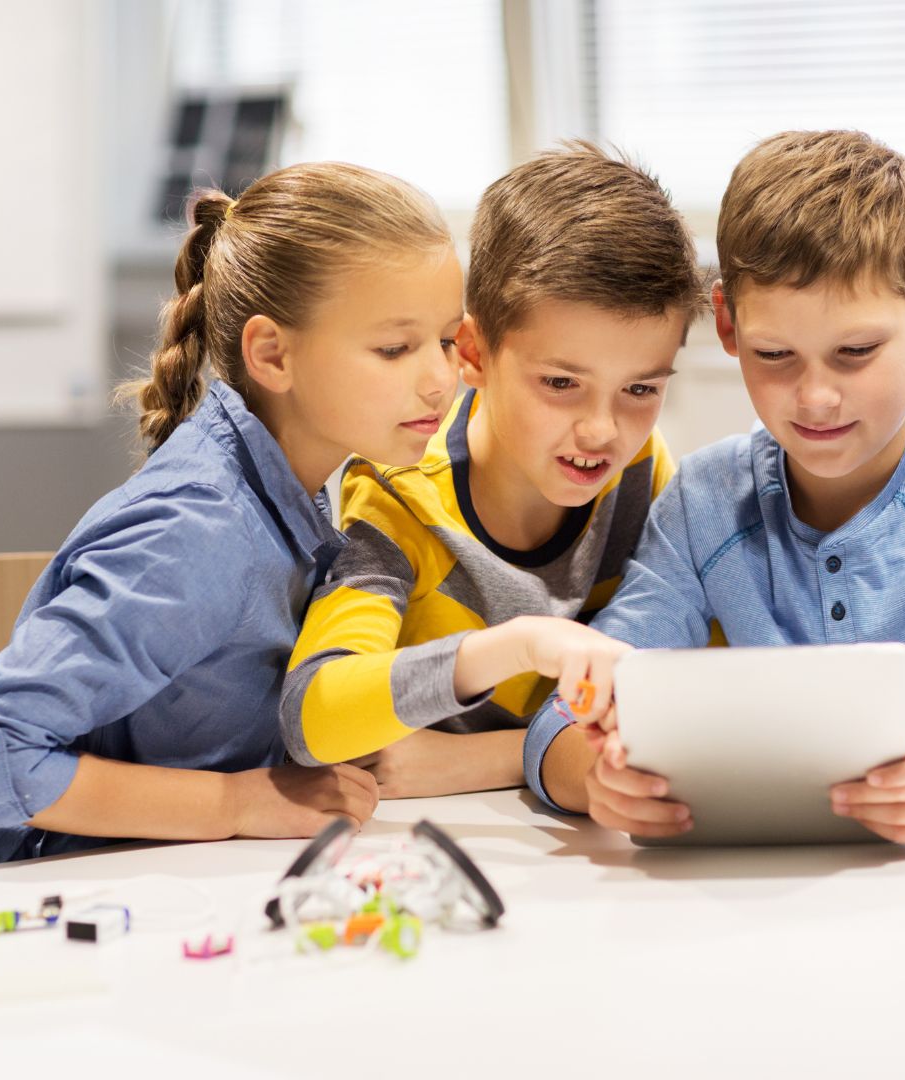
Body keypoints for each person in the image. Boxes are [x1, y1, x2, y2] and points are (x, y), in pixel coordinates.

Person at [527, 129, 905, 845]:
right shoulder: (704, 505)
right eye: (775, 353)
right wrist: (596, 777)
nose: (816, 398)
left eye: (855, 351)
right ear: (727, 325)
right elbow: (567, 716)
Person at [0, 161, 467, 863]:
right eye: (394, 349)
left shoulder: (304, 482)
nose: (441, 378)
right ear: (272, 355)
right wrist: (235, 804)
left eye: (446, 341)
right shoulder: (199, 531)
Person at [280, 142, 708, 797]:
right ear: (473, 356)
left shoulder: (642, 471)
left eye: (641, 389)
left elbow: (686, 687)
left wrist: (494, 757)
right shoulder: (397, 495)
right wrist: (523, 645)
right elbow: (313, 718)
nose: (602, 430)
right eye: (561, 383)